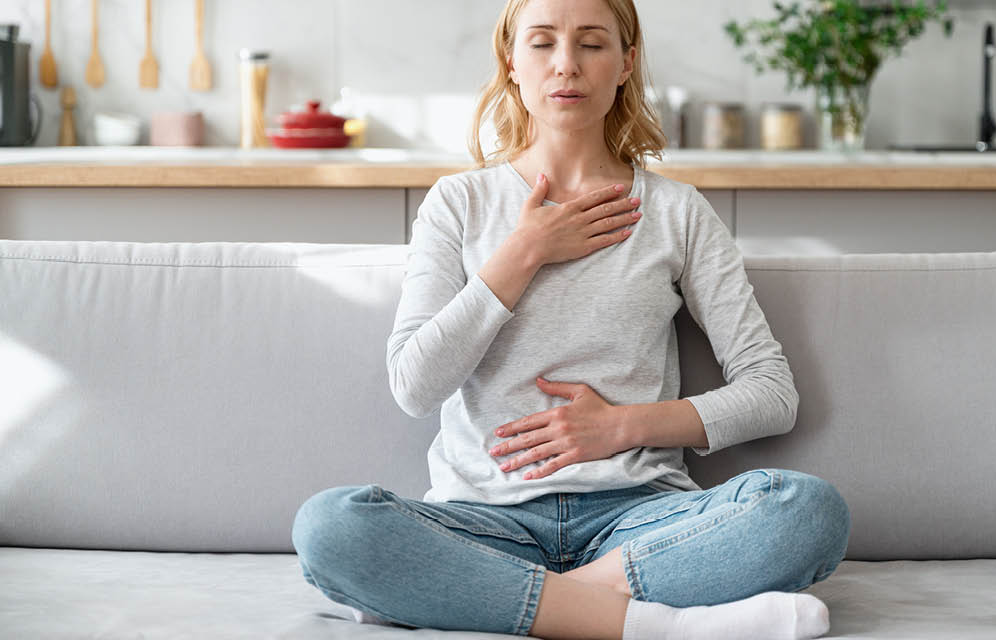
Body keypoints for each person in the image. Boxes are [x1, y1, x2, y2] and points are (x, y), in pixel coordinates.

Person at [291, 0, 850, 638]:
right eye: (542, 43)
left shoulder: (677, 213)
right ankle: (658, 626)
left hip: (637, 522)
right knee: (331, 526)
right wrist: (523, 252)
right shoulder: (458, 204)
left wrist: (620, 427)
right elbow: (413, 387)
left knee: (807, 511)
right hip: (485, 521)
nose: (566, 65)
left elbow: (772, 393)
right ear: (511, 60)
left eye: (591, 43)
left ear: (624, 63)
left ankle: (489, 600)